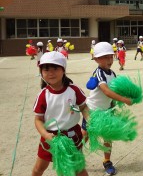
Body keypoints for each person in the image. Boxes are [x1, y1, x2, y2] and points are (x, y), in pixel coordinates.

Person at [32, 51, 89, 176]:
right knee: (38, 169)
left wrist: (90, 120)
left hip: (73, 135)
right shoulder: (43, 95)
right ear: (41, 72)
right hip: (50, 138)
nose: (51, 73)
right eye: (46, 69)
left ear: (63, 70)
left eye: (55, 68)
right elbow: (38, 120)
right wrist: (46, 135)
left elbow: (84, 107)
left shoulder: (74, 90)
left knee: (78, 168)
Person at [82, 42, 132, 175]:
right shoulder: (99, 73)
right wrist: (124, 100)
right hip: (92, 111)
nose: (109, 60)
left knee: (108, 137)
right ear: (97, 59)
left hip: (107, 111)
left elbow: (114, 90)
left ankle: (107, 161)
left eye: (111, 56)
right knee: (85, 135)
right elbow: (107, 92)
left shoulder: (113, 74)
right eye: (105, 57)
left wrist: (114, 104)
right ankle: (76, 156)